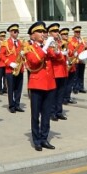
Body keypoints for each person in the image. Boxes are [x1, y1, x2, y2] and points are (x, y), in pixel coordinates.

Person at [25, 21, 56, 151]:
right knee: (35, 114)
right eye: (40, 32)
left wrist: (55, 46)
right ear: (32, 36)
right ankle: (36, 140)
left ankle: (44, 138)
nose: (43, 34)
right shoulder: (28, 47)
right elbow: (34, 60)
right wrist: (45, 47)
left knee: (46, 113)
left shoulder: (46, 46)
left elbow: (57, 56)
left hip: (49, 84)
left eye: (44, 32)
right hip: (37, 84)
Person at [1, 24, 25, 113]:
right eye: (14, 31)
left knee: (19, 88)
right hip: (10, 69)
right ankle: (11, 105)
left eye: (17, 31)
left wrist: (23, 53)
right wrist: (9, 63)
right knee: (11, 88)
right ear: (10, 32)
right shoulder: (5, 43)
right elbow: (1, 55)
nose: (16, 33)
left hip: (19, 68)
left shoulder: (20, 43)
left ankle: (17, 104)